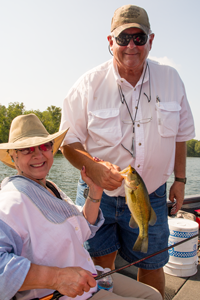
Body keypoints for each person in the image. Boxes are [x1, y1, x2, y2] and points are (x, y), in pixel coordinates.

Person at [59, 4, 195, 299]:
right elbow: (69, 144)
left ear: (151, 40)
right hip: (99, 198)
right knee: (100, 265)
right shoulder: (87, 85)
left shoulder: (171, 79)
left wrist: (181, 181)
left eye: (139, 37)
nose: (131, 45)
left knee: (153, 263)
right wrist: (93, 169)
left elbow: (182, 137)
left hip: (154, 194)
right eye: (123, 38)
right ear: (111, 42)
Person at [0, 113, 162, 300]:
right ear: (13, 157)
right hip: (64, 294)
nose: (38, 154)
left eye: (44, 146)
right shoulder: (11, 199)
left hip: (90, 275)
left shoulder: (50, 187)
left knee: (154, 295)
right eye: (27, 149)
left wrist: (95, 191)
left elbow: (81, 229)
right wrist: (57, 278)